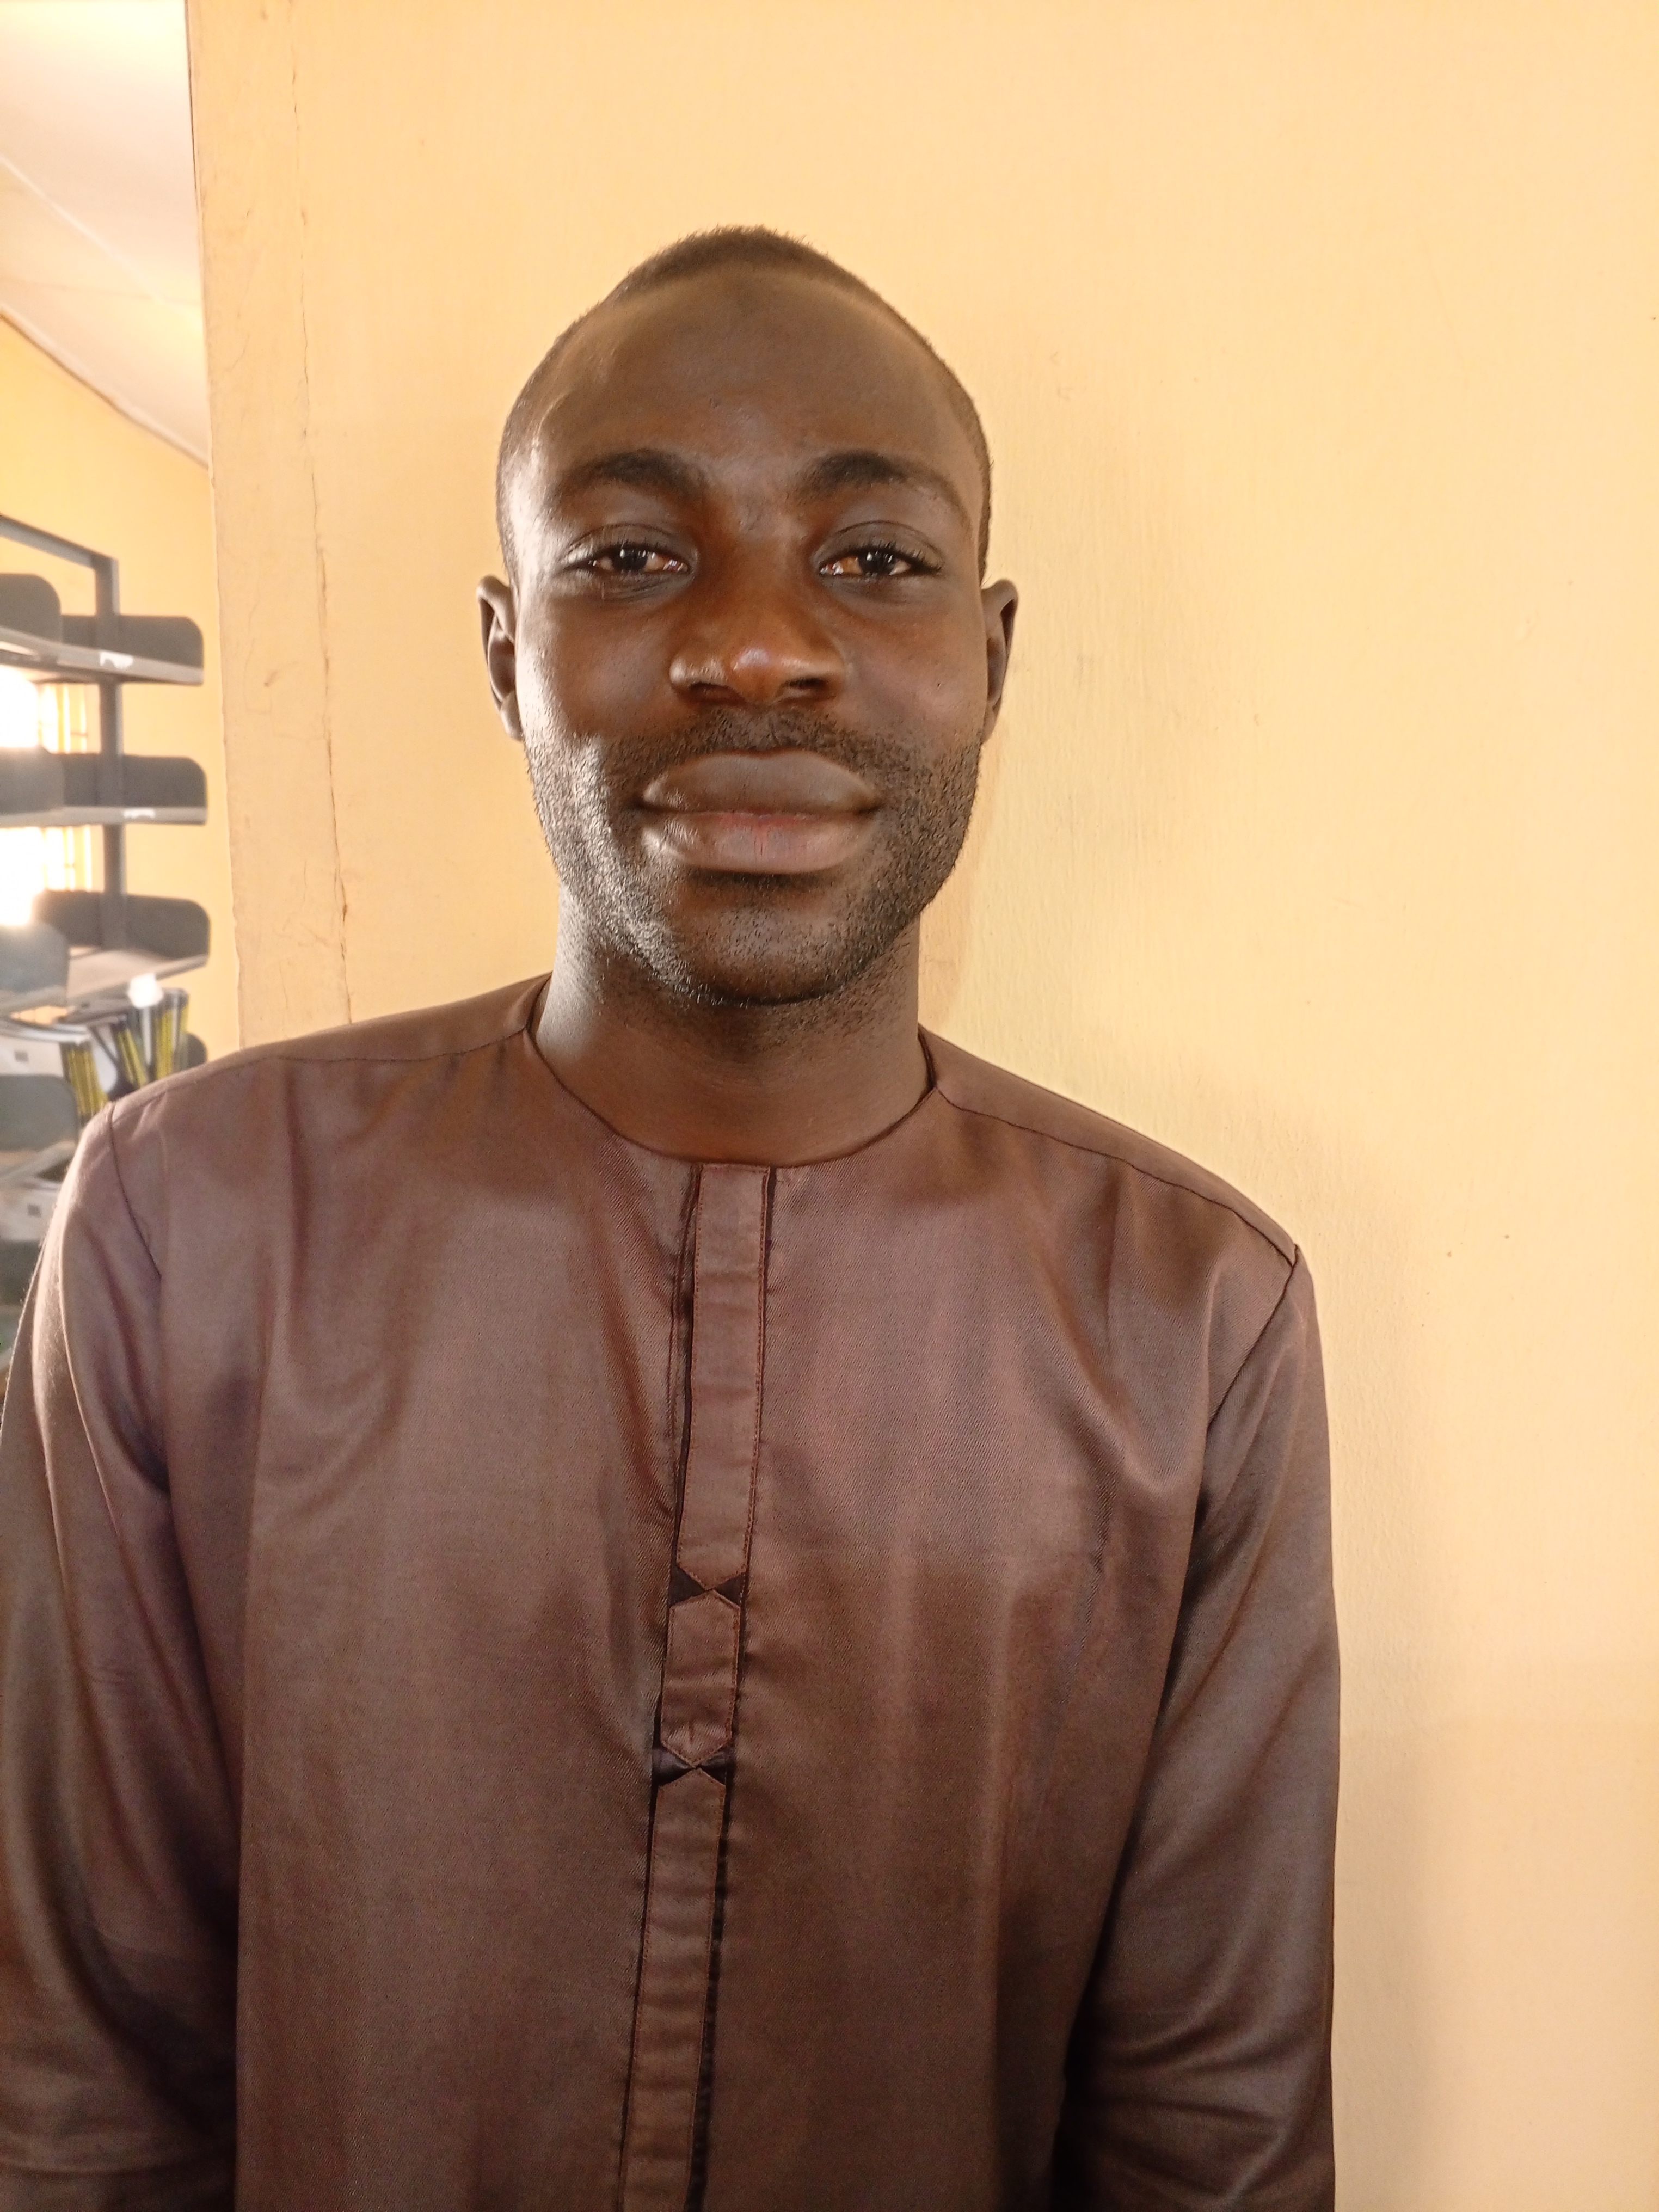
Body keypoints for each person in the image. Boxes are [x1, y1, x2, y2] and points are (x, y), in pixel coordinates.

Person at [0, 229, 1337, 2210]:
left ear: (990, 658)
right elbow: (76, 2081)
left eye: (872, 557)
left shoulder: (1195, 1314)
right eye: (630, 556)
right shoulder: (181, 1230)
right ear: (503, 652)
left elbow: (1210, 2134)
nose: (757, 648)